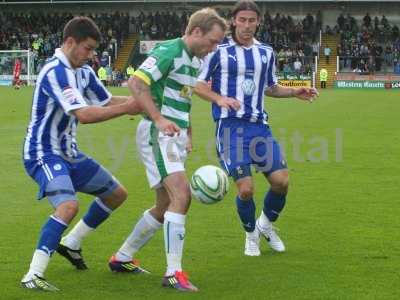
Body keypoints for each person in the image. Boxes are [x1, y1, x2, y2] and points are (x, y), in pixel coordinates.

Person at [109, 8, 233, 292]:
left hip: (173, 136)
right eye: (212, 41)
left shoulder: (192, 61)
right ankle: (173, 273)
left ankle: (122, 257)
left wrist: (187, 135)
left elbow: (184, 102)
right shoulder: (170, 50)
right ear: (196, 32)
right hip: (158, 134)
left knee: (165, 206)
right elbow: (136, 82)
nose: (214, 48)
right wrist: (158, 118)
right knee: (182, 195)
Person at [20, 16, 142, 292]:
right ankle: (33, 274)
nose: (92, 55)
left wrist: (142, 102)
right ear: (70, 42)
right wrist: (129, 108)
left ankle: (71, 242)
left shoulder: (83, 71)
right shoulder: (55, 71)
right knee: (68, 206)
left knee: (116, 194)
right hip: (43, 153)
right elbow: (85, 115)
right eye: (87, 48)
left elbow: (107, 100)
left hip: (69, 153)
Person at [195, 0, 318, 257]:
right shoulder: (218, 50)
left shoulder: (266, 52)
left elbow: (270, 87)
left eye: (252, 20)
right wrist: (219, 99)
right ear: (233, 21)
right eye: (243, 20)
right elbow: (199, 85)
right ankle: (251, 234)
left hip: (259, 128)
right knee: (246, 188)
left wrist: (295, 91)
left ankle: (265, 225)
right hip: (230, 128)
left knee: (281, 181)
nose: (247, 25)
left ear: (258, 22)